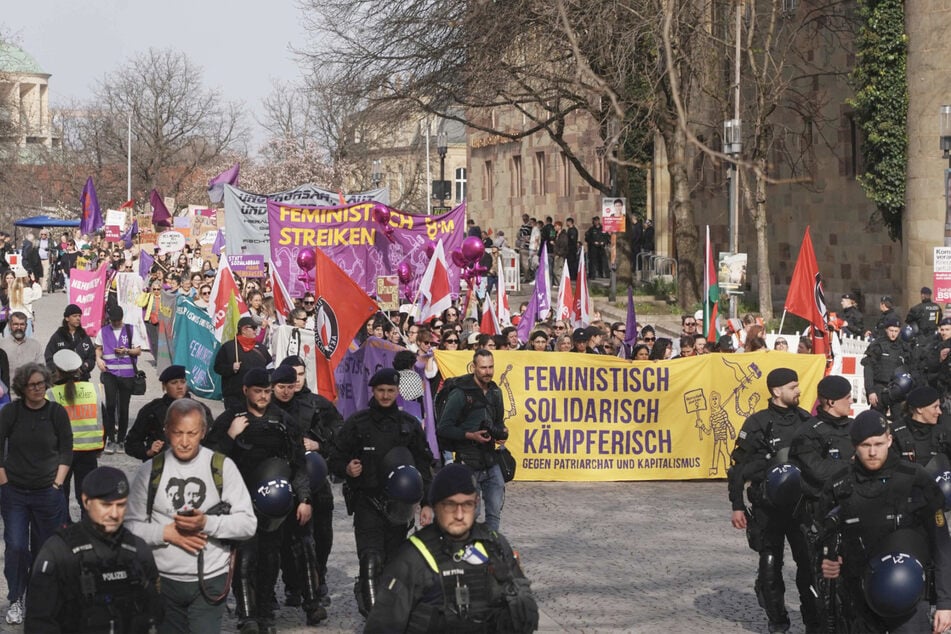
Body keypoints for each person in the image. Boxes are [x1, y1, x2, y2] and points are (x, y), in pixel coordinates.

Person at [125, 398, 257, 634]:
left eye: (192, 433)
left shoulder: (222, 467)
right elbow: (129, 527)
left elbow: (247, 524)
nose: (184, 442)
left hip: (210, 580)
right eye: (177, 433)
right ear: (166, 431)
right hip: (162, 582)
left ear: (204, 432)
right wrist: (166, 533)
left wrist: (206, 523)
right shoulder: (150, 471)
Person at [365, 463, 539, 633]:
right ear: (435, 505)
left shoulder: (494, 546)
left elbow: (525, 614)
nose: (459, 514)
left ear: (476, 503)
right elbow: (382, 625)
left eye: (467, 504)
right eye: (450, 504)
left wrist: (515, 603)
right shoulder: (412, 557)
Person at [818, 411, 951, 633]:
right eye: (865, 445)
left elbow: (942, 546)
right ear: (854, 445)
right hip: (858, 595)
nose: (872, 452)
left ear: (889, 440)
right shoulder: (840, 485)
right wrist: (828, 561)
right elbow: (826, 535)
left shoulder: (916, 479)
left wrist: (946, 604)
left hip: (909, 595)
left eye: (878, 443)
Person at [204, 368, 315, 632]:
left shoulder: (284, 421)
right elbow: (210, 458)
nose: (264, 396)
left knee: (270, 558)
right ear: (245, 391)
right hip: (239, 500)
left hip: (273, 504)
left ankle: (264, 611)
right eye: (258, 391)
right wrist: (230, 435)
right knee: (245, 558)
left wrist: (304, 499)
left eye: (267, 391)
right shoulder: (231, 418)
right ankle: (247, 614)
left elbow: (298, 463)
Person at [328, 368, 435, 617]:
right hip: (367, 500)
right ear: (373, 391)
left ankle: (388, 609)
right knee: (370, 559)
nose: (385, 395)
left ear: (397, 392)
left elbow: (424, 465)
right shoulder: (357, 423)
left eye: (390, 390)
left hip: (399, 506)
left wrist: (428, 503)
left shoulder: (408, 426)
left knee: (392, 563)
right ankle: (376, 618)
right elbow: (334, 456)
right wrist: (346, 468)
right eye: (381, 390)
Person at [728, 368, 819, 634]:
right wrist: (736, 505)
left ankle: (813, 622)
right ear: (777, 391)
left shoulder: (806, 420)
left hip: (800, 508)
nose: (799, 390)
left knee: (808, 565)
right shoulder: (757, 423)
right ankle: (778, 621)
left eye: (798, 385)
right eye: (793, 387)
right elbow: (738, 468)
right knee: (770, 566)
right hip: (768, 508)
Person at [25, 466, 164, 632]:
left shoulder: (138, 550)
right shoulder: (59, 552)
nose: (114, 513)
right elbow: (39, 622)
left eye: (120, 505)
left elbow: (156, 612)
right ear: (86, 501)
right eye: (106, 505)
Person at [0, 362, 73, 625]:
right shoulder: (10, 412)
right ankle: (17, 597)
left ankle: (41, 598)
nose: (38, 388)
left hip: (48, 492)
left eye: (41, 383)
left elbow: (67, 449)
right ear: (22, 387)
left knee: (46, 549)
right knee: (17, 546)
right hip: (15, 493)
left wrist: (57, 484)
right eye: (32, 385)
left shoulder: (56, 412)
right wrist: (4, 483)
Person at [274, 355, 342, 607]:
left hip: (316, 482)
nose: (295, 380)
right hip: (284, 480)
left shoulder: (318, 405)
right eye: (290, 375)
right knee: (286, 537)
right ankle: (292, 584)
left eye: (300, 374)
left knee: (321, 534)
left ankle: (318, 577)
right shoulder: (272, 404)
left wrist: (319, 445)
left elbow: (340, 437)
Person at [436, 350, 507, 532]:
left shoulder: (495, 392)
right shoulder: (461, 393)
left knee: (494, 513)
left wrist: (501, 432)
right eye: (483, 367)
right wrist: (470, 435)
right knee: (470, 514)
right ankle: (467, 551)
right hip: (467, 462)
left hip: (491, 461)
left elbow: (499, 422)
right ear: (474, 367)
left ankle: (490, 550)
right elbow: (443, 428)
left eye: (491, 367)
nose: (487, 372)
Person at [47, 349, 104, 520]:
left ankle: (64, 530)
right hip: (89, 451)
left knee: (60, 494)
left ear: (57, 371)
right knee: (87, 495)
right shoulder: (94, 389)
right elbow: (104, 419)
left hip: (62, 455)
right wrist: (101, 445)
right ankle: (88, 531)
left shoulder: (51, 394)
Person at [125, 365, 213, 462]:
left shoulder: (200, 410)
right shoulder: (152, 410)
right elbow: (131, 442)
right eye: (174, 383)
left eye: (183, 382)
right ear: (164, 386)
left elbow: (212, 442)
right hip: (160, 466)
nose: (179, 387)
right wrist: (147, 452)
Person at [94, 306, 145, 454]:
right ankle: (110, 438)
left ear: (122, 319)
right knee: (110, 405)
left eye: (118, 321)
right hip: (110, 372)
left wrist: (126, 351)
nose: (115, 323)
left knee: (123, 408)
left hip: (127, 373)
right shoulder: (103, 331)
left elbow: (138, 351)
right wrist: (98, 359)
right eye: (113, 320)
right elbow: (98, 348)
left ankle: (121, 439)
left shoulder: (130, 330)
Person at [213, 316, 272, 411]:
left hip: (257, 397)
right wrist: (231, 368)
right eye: (253, 328)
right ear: (244, 329)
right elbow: (217, 367)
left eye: (256, 328)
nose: (255, 330)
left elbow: (270, 368)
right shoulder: (229, 347)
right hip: (234, 397)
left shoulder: (261, 348)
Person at [861, 316, 910, 413]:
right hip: (880, 388)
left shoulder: (903, 346)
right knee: (876, 420)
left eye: (896, 331)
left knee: (899, 419)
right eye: (891, 330)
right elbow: (868, 369)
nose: (893, 334)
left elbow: (910, 368)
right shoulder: (877, 345)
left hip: (898, 388)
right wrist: (870, 391)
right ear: (886, 330)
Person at [45, 303, 96, 381]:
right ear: (67, 318)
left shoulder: (84, 336)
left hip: (82, 379)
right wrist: (58, 370)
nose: (78, 318)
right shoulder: (58, 336)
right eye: (75, 316)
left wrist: (86, 365)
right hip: (62, 381)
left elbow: (92, 356)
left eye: (79, 316)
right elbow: (48, 357)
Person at [0, 311, 43, 378]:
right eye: (15, 324)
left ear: (26, 326)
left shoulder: (35, 346)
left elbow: (42, 370)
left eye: (22, 324)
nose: (19, 328)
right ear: (9, 325)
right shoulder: (2, 345)